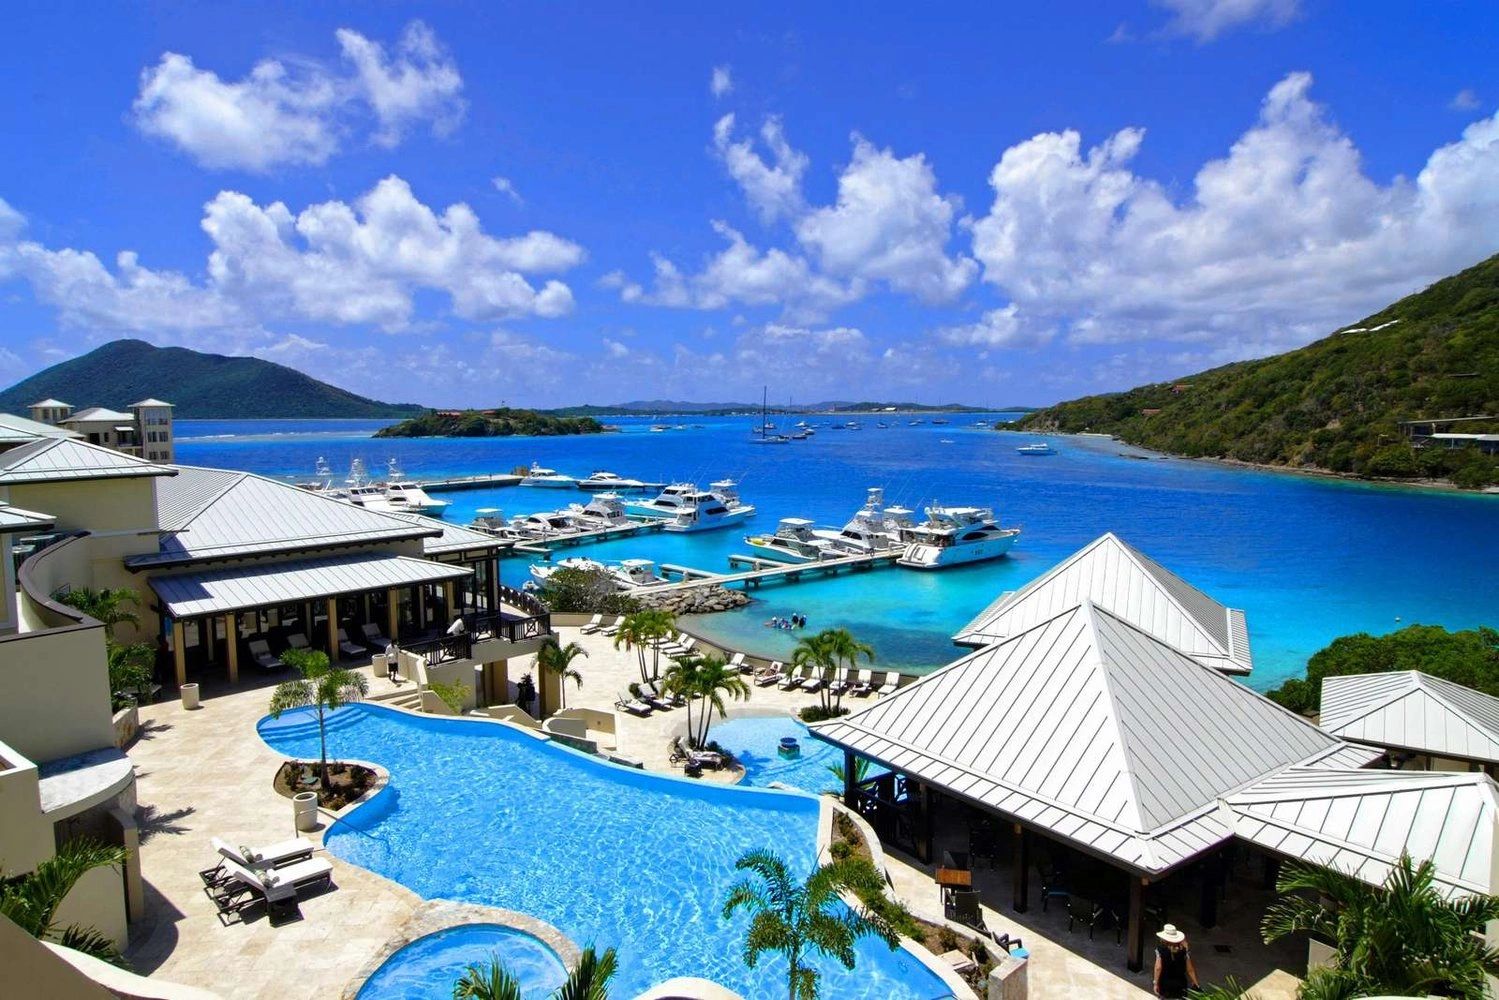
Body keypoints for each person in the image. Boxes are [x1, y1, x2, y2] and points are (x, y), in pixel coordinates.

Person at [1153, 924, 1198, 998]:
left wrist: (1155, 983)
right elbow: (1190, 969)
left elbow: (1158, 968)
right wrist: (1196, 983)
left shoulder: (1160, 949)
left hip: (1165, 983)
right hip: (1180, 983)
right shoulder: (1184, 950)